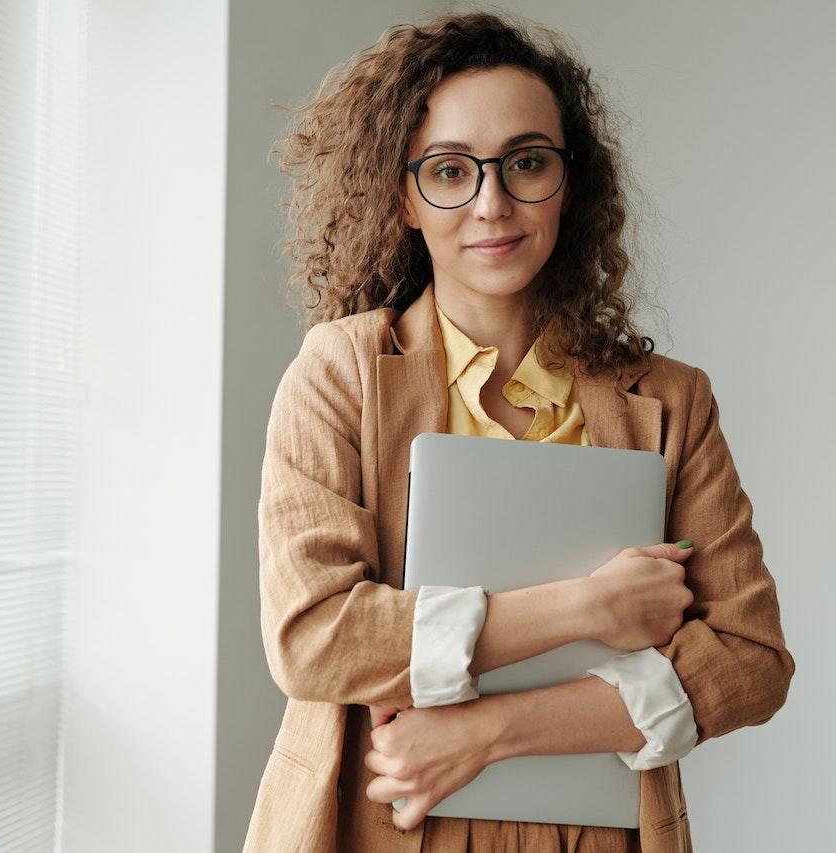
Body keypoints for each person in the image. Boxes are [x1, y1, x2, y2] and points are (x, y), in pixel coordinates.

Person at [245, 11, 795, 853]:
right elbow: (315, 637)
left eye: (527, 162)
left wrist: (487, 729)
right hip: (373, 825)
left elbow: (751, 662)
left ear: (569, 182)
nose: (492, 204)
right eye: (451, 170)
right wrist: (588, 605)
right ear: (402, 194)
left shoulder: (672, 403)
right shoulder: (340, 373)